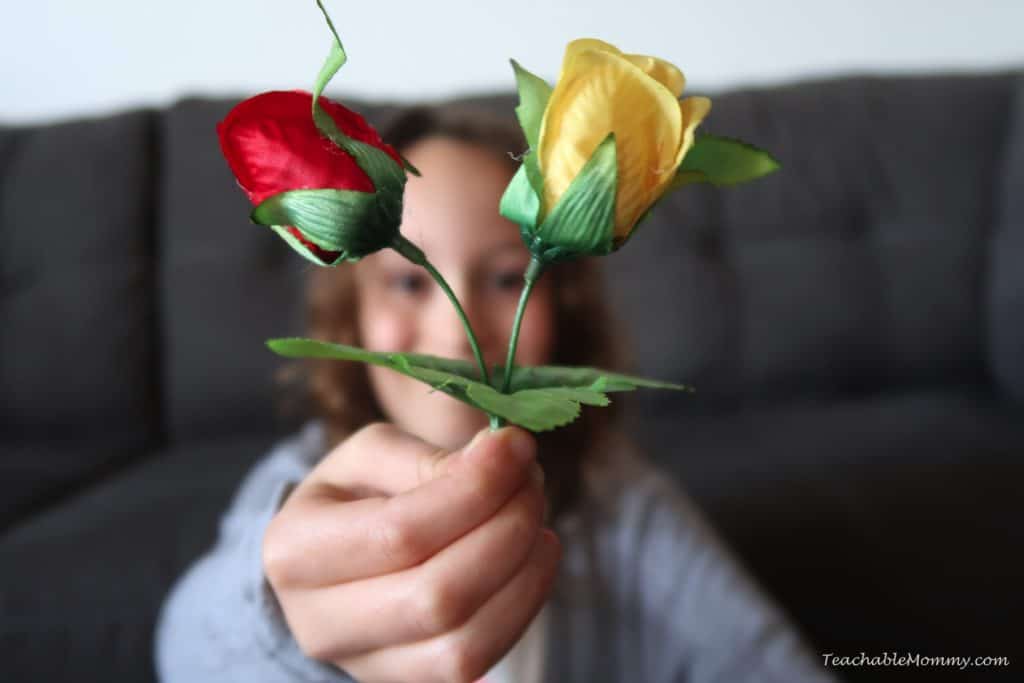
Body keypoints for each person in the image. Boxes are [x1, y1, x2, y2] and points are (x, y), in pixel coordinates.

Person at [155, 104, 835, 683]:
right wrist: (276, 612)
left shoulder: (620, 507)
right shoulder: (297, 480)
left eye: (509, 279)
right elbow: (185, 648)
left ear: (564, 307)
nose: (459, 332)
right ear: (349, 311)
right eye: (408, 282)